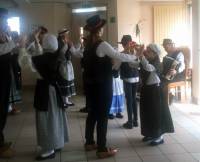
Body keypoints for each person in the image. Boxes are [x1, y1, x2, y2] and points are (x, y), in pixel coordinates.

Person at [82, 15, 140, 159]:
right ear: (99, 30)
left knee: (92, 114)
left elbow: (113, 60)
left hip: (91, 86)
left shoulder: (88, 44)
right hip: (102, 86)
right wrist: (135, 55)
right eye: (101, 28)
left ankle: (89, 142)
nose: (103, 30)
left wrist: (125, 51)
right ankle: (102, 148)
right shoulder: (102, 44)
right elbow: (117, 56)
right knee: (102, 116)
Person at [19, 34, 69, 161]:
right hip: (54, 89)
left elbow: (24, 62)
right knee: (55, 116)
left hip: (44, 91)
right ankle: (57, 143)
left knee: (46, 119)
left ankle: (48, 149)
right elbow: (65, 74)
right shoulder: (59, 56)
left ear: (45, 44)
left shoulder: (39, 59)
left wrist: (22, 46)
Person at [139, 43, 174, 146]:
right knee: (147, 113)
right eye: (147, 50)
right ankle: (150, 133)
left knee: (155, 114)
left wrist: (141, 55)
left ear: (155, 53)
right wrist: (136, 55)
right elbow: (134, 64)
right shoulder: (147, 60)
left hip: (155, 91)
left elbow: (148, 67)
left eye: (148, 51)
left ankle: (159, 137)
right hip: (146, 90)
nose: (146, 52)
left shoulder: (157, 62)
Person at [0, 8, 16, 158]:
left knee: (3, 109)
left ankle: (2, 140)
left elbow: (9, 48)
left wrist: (11, 40)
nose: (5, 23)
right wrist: (15, 43)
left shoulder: (4, 34)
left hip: (5, 75)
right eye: (3, 20)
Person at [117, 35, 140, 129]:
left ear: (124, 44)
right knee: (134, 99)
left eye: (122, 44)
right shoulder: (136, 52)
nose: (122, 45)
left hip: (127, 78)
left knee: (129, 100)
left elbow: (117, 67)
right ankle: (135, 121)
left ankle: (130, 122)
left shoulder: (123, 53)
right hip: (136, 78)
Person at [162, 38, 185, 104]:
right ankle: (164, 96)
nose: (165, 49)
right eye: (164, 47)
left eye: (166, 47)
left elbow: (182, 66)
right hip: (169, 75)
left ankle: (170, 95)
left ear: (171, 45)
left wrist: (176, 71)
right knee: (159, 79)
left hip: (178, 75)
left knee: (164, 82)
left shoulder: (179, 54)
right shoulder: (166, 56)